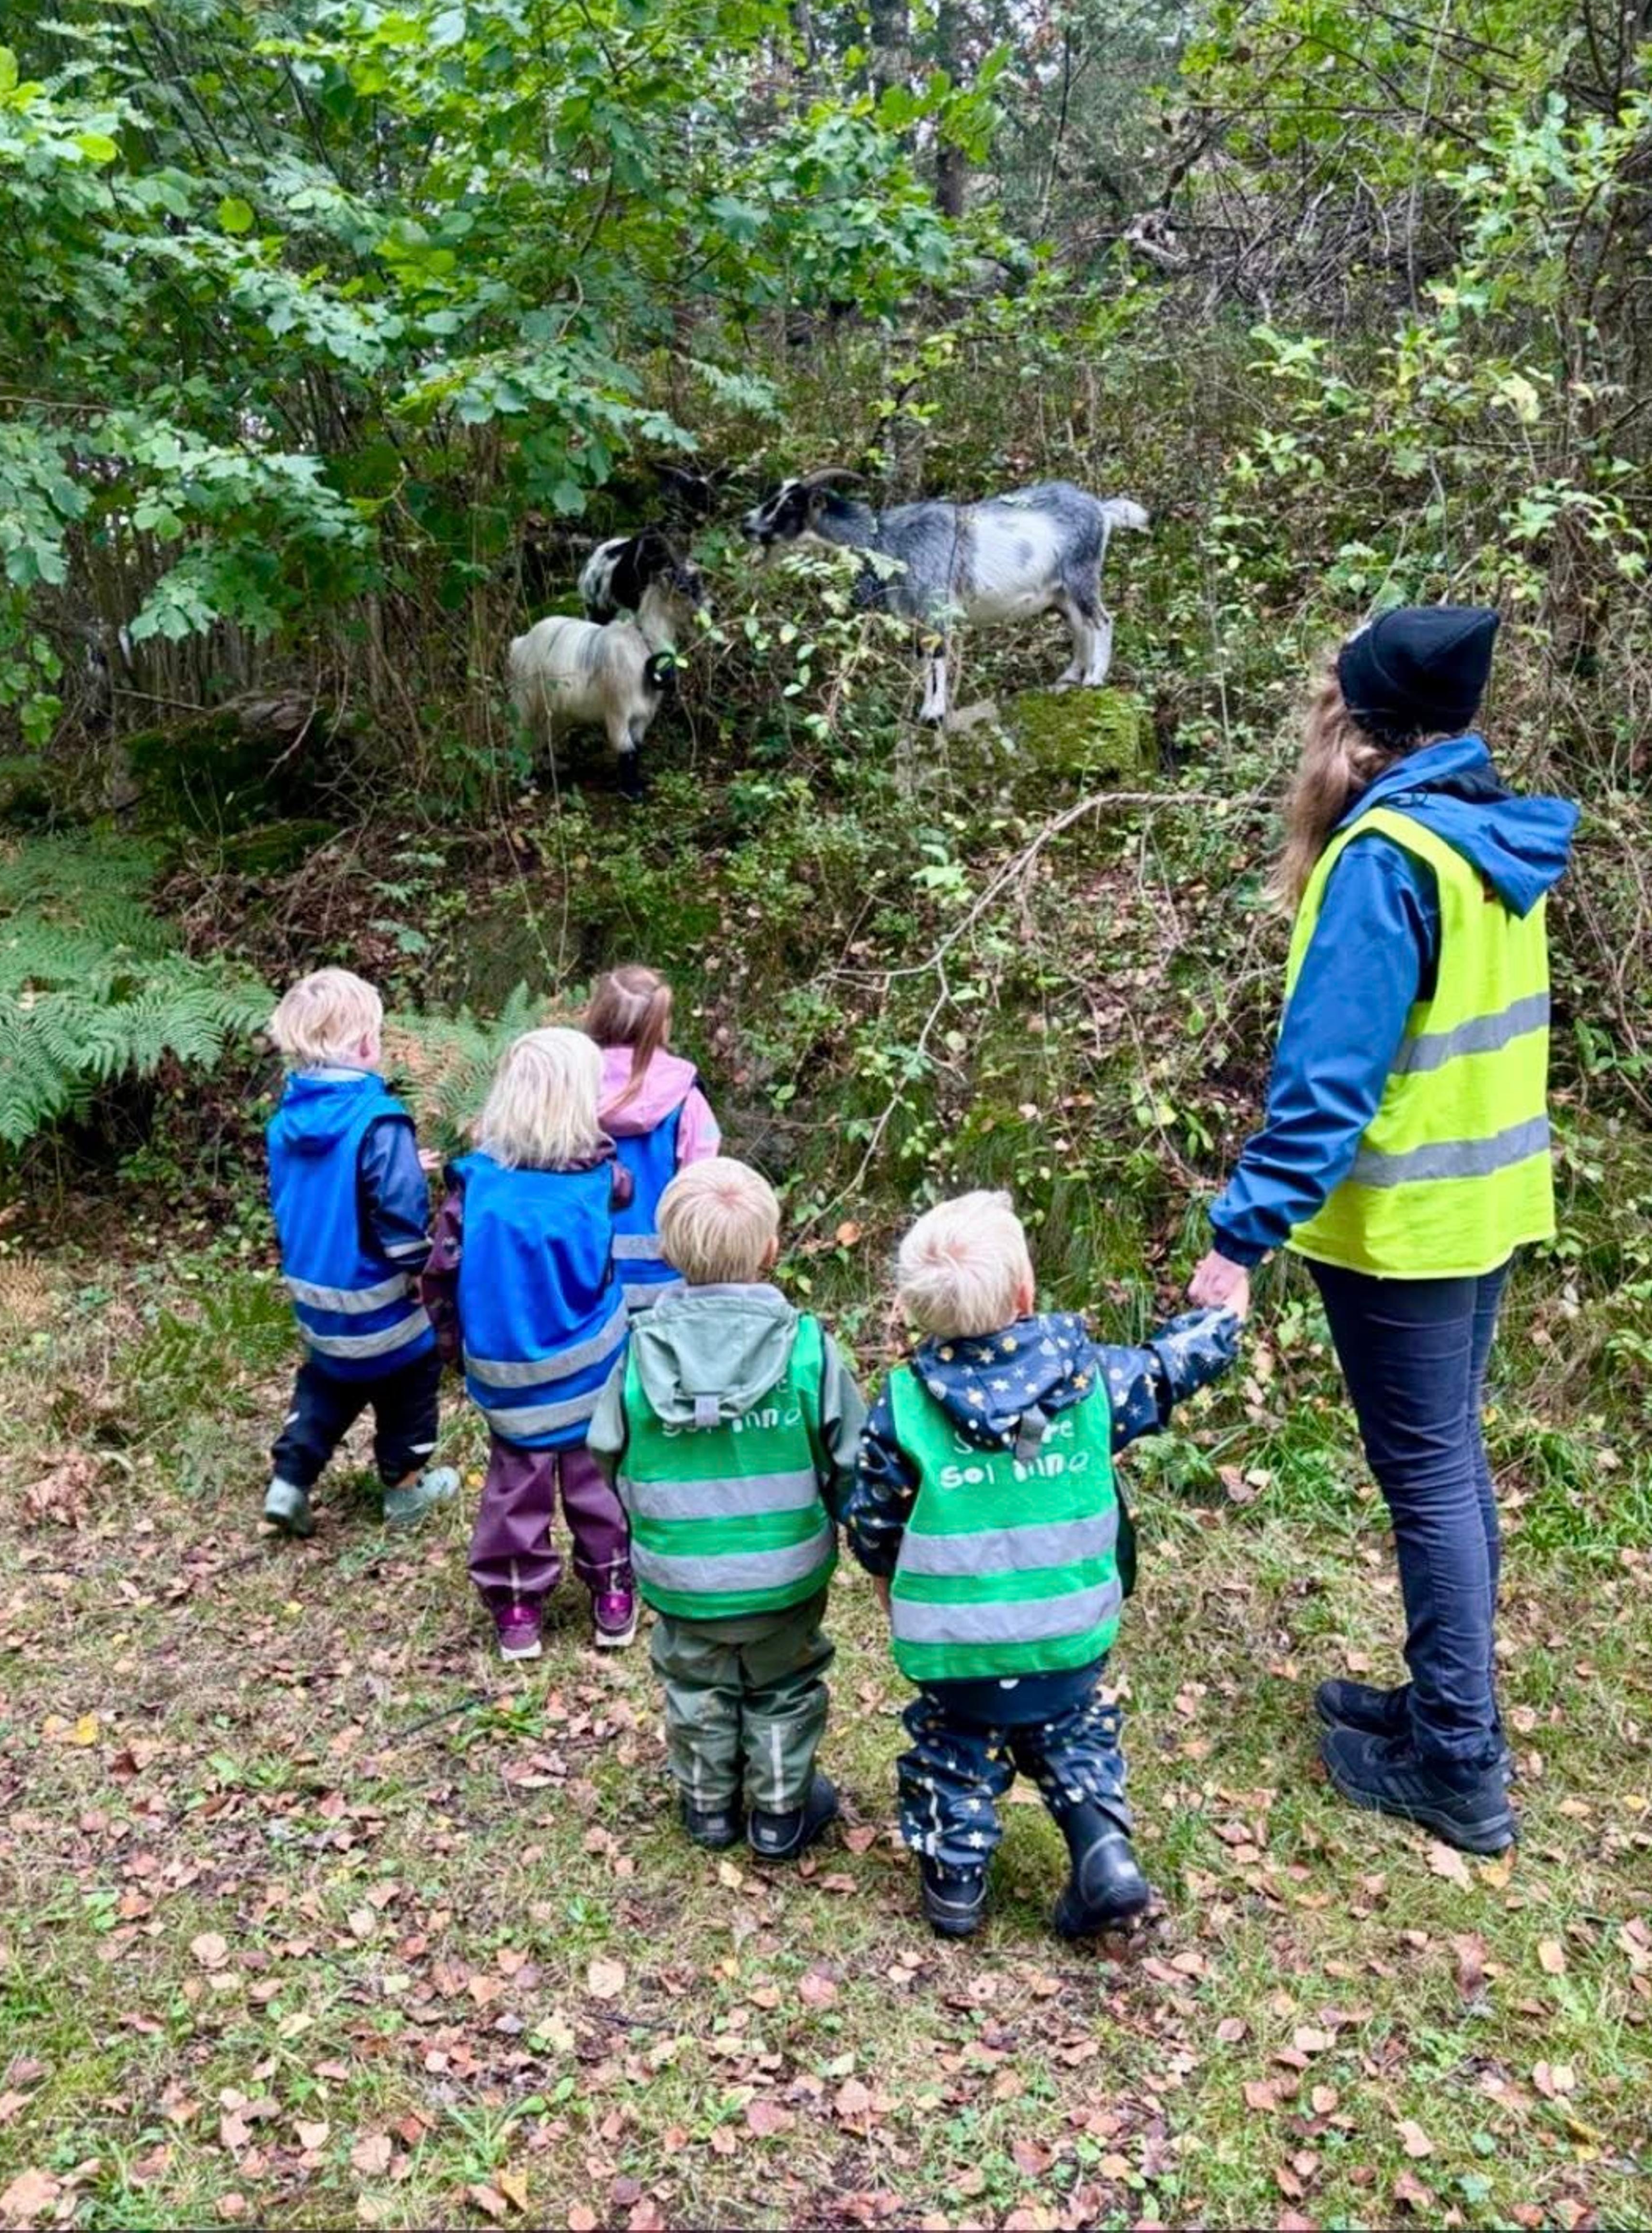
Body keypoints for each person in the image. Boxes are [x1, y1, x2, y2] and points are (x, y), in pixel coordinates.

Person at [1189, 607, 1578, 1854]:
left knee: (1430, 1482)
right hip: (1481, 1207)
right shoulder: (1489, 835)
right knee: (1447, 1468)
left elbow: (1325, 1092)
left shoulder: (1385, 860)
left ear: (1356, 725)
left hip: (1407, 1227)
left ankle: (1456, 1759)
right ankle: (1443, 1710)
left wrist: (1236, 1241)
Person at [849, 1191, 1240, 1941]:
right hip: (1070, 1634)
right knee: (1073, 1729)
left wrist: (887, 1584)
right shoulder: (1094, 1381)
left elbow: (874, 1522)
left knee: (954, 1744)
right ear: (1026, 1292)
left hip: (956, 1647)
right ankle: (1104, 1853)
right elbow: (1170, 1369)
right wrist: (1223, 1317)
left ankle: (955, 1883)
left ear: (915, 1309)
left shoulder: (903, 1406)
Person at [588, 1159, 866, 1861]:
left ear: (668, 1251)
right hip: (785, 1574)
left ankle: (708, 1808)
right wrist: (845, 1516)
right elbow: (849, 1457)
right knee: (784, 1684)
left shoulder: (641, 1349)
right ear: (771, 1250)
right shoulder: (806, 1347)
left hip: (681, 1575)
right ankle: (778, 1813)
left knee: (695, 1683)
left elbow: (606, 1450)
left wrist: (648, 1516)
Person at [428, 1027, 638, 1660]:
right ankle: (613, 1590)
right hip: (591, 1370)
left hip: (509, 1373)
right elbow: (624, 1189)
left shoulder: (474, 1188)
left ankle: (518, 1606)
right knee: (598, 1482)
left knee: (514, 1489)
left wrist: (449, 1344)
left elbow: (441, 1271)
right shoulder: (600, 1181)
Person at [260, 969, 459, 1537]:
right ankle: (405, 1490)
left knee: (328, 1382)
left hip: (319, 1303)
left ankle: (289, 1483)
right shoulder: (380, 1120)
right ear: (367, 1043)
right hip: (383, 1308)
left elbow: (327, 1186)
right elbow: (398, 1221)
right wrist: (424, 1271)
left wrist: (401, 1163)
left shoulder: (288, 1121)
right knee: (409, 1384)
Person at [584, 965, 722, 1313]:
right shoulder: (687, 1098)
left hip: (581, 1271)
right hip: (663, 1277)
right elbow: (702, 1192)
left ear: (598, 1014)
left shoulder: (572, 1090)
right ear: (662, 1023)